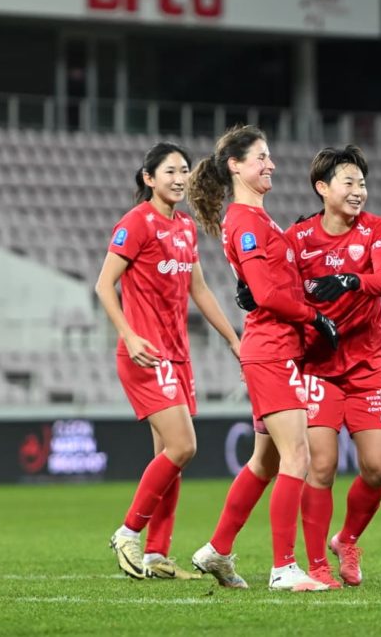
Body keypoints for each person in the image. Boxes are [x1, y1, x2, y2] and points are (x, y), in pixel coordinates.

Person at [237, 145, 381, 588]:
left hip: (368, 366)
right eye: (349, 182)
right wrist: (248, 289)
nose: (358, 191)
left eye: (362, 183)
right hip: (317, 366)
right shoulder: (298, 237)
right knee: (320, 465)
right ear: (322, 188)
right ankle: (319, 568)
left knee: (377, 468)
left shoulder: (377, 230)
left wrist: (349, 279)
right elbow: (269, 276)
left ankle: (346, 539)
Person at [186, 124, 339, 592]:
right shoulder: (246, 221)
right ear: (235, 165)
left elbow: (265, 285)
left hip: (274, 350)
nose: (270, 164)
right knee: (299, 455)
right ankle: (283, 568)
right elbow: (269, 293)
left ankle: (217, 549)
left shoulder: (261, 219)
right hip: (271, 350)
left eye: (269, 156)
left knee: (265, 463)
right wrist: (314, 317)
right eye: (260, 157)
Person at [96, 142, 242, 580]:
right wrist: (129, 334)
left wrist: (234, 339)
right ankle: (127, 533)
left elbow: (199, 290)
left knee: (170, 459)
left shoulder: (184, 228)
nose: (179, 178)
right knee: (184, 446)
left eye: (183, 171)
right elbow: (104, 286)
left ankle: (157, 556)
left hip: (177, 355)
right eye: (169, 171)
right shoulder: (135, 223)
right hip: (145, 354)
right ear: (149, 178)